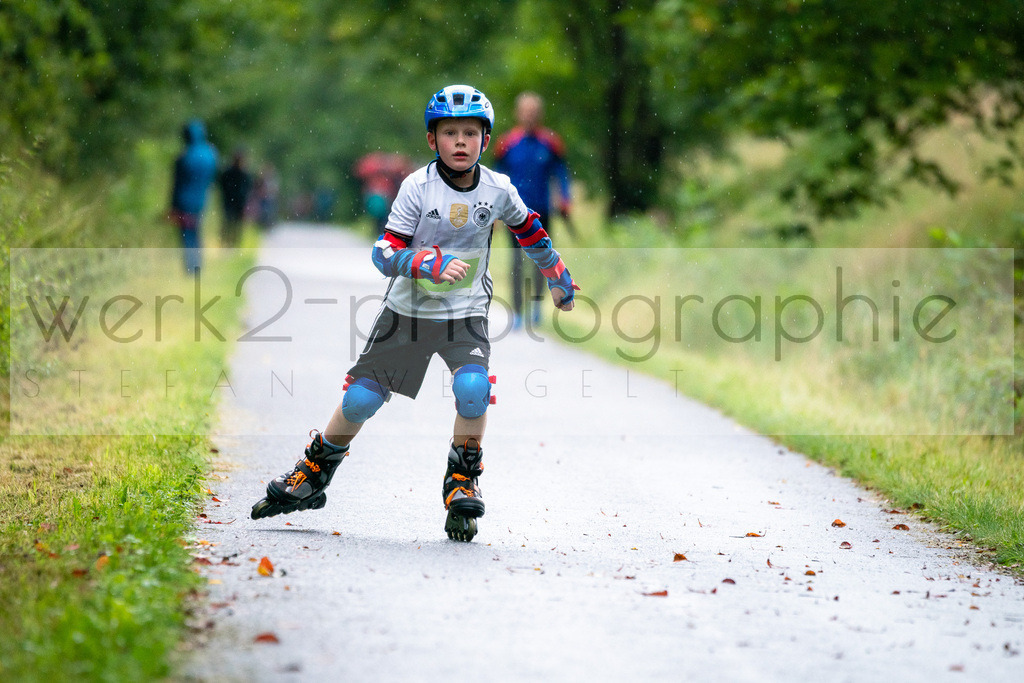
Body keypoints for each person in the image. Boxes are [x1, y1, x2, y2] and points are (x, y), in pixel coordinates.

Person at [251, 85, 580, 542]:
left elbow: (531, 233)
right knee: (361, 399)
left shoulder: (498, 189)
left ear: (486, 139)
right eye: (450, 133)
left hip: (465, 313)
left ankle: (462, 479)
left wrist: (558, 276)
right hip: (407, 312)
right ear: (432, 139)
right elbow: (384, 253)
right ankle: (313, 472)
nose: (460, 142)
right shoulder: (416, 188)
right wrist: (425, 262)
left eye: (470, 133)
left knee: (473, 388)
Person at [493, 91, 573, 328]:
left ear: (540, 114)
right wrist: (494, 211)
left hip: (542, 211)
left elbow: (561, 173)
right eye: (526, 111)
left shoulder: (551, 142)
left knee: (542, 260)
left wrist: (565, 198)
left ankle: (537, 306)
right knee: (517, 261)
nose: (530, 116)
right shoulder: (507, 143)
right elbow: (497, 177)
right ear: (517, 113)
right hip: (514, 214)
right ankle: (517, 312)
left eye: (534, 112)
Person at [169, 119, 218, 273]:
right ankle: (197, 265)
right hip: (201, 200)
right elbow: (212, 178)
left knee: (187, 234)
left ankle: (191, 267)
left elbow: (177, 184)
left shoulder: (184, 156)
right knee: (197, 231)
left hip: (184, 201)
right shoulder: (210, 154)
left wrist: (173, 206)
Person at [353, 151, 415, 235]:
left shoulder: (379, 169)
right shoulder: (384, 169)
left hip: (384, 196)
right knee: (382, 215)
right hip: (384, 196)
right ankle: (382, 232)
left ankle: (381, 232)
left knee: (382, 216)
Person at [218, 148, 253, 248]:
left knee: (235, 224)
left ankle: (234, 242)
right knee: (229, 222)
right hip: (231, 201)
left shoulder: (243, 174)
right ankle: (227, 241)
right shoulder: (231, 172)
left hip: (237, 202)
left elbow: (247, 188)